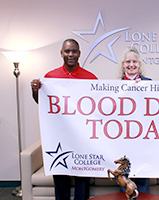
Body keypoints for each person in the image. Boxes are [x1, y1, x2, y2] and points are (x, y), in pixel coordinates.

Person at [31, 39, 98, 200]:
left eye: (74, 51)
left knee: (82, 178)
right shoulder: (50, 77)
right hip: (58, 136)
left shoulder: (91, 78)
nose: (70, 54)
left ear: (79, 54)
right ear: (61, 53)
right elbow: (43, 103)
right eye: (67, 51)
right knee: (60, 178)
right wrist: (35, 91)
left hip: (82, 137)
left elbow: (97, 108)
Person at [118, 47, 151, 193]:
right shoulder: (114, 86)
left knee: (142, 174)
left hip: (143, 137)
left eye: (134, 62)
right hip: (123, 137)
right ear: (123, 64)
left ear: (139, 64)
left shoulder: (149, 83)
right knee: (124, 176)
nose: (131, 65)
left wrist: (143, 90)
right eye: (128, 62)